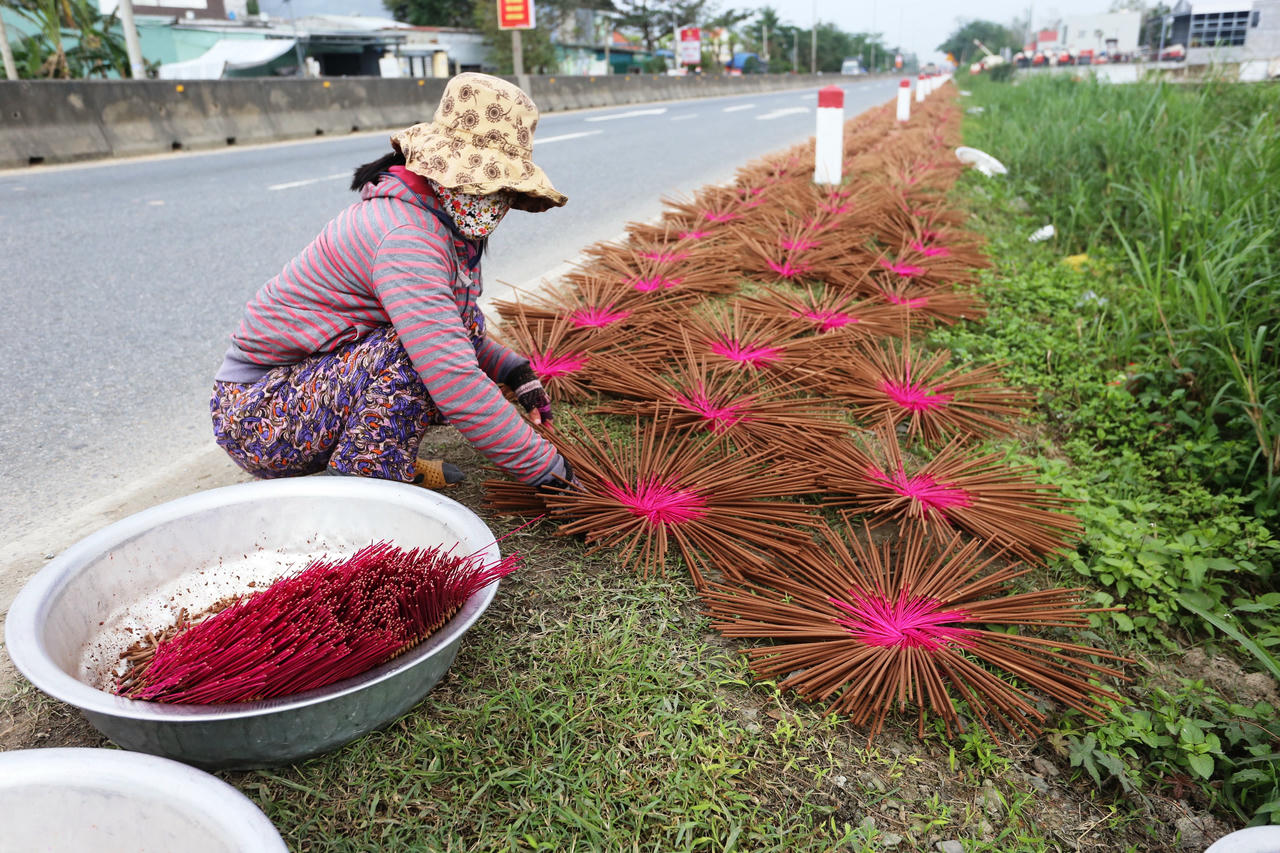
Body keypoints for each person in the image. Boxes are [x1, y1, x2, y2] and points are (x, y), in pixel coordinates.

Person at [211, 73, 571, 490]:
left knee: (451, 329)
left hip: (302, 393)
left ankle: (385, 460)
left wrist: (513, 369)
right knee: (420, 357)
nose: (491, 199)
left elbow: (454, 326)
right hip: (258, 416)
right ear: (442, 168)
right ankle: (365, 482)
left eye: (500, 187)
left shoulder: (433, 219)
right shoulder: (406, 237)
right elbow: (452, 376)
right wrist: (549, 473)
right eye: (480, 183)